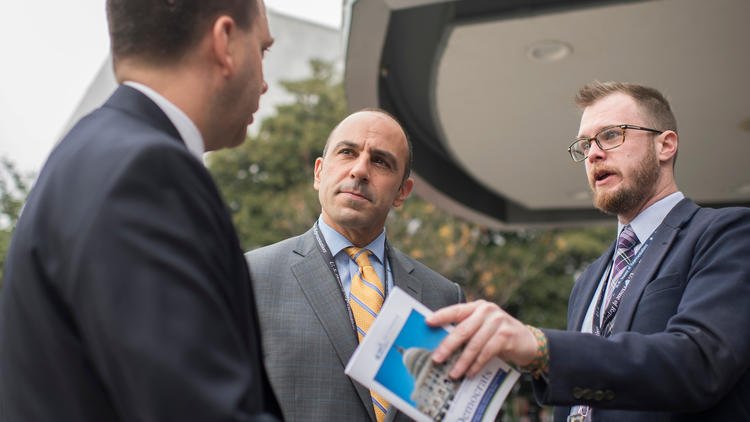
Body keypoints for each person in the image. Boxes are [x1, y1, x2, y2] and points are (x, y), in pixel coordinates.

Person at [0, 1, 281, 421]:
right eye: (262, 51)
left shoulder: (94, 150)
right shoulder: (146, 172)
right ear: (224, 42)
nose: (264, 84)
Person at [427, 82, 750, 421]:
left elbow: (698, 363)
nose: (593, 154)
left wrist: (539, 347)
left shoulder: (726, 234)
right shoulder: (588, 280)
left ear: (665, 145)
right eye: (585, 144)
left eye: (611, 135)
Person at [246, 109, 465, 422]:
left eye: (380, 161)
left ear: (402, 192)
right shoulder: (251, 277)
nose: (360, 170)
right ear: (319, 172)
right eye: (347, 152)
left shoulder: (443, 298)